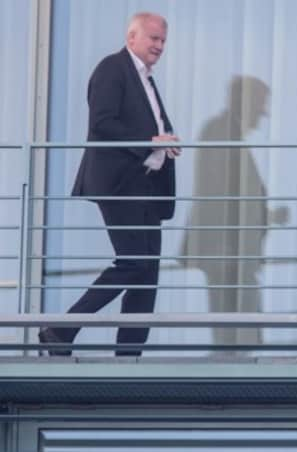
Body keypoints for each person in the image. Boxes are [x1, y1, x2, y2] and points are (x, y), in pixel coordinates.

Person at [38, 12, 180, 357]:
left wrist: (165, 144)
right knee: (133, 262)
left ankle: (128, 358)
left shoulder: (145, 78)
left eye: (163, 40)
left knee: (147, 274)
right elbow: (102, 123)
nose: (160, 46)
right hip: (120, 185)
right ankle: (61, 329)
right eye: (154, 39)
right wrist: (153, 140)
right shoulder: (112, 68)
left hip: (146, 187)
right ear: (132, 37)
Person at [180, 76, 288, 350]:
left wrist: (268, 215)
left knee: (241, 331)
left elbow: (233, 196)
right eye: (260, 106)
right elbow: (215, 192)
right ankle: (231, 382)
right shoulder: (220, 133)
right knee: (236, 333)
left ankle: (235, 376)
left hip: (232, 253)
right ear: (246, 103)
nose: (262, 116)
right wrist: (226, 246)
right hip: (227, 254)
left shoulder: (226, 133)